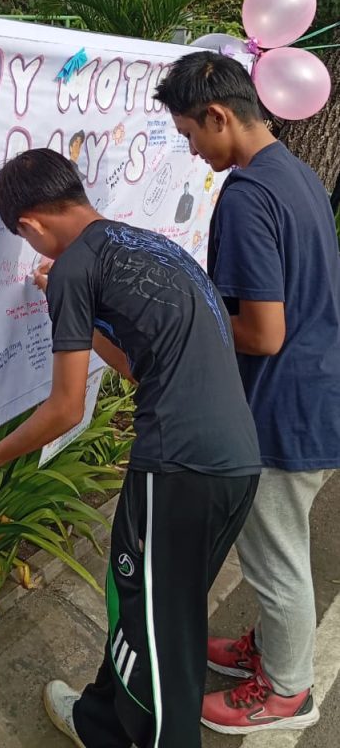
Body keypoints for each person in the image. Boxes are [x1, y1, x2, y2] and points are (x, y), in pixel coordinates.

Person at [0, 148, 261, 748]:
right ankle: (102, 723)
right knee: (155, 614)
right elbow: (138, 366)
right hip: (235, 461)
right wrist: (77, 314)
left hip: (177, 470)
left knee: (160, 642)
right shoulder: (149, 245)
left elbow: (64, 408)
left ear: (30, 225)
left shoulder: (74, 269)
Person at [155, 51, 340, 736]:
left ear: (218, 116)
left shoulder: (247, 195)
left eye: (189, 134)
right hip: (314, 388)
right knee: (279, 541)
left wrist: (186, 318)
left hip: (283, 408)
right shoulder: (292, 171)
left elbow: (263, 332)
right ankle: (267, 648)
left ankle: (288, 692)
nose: (192, 151)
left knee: (275, 555)